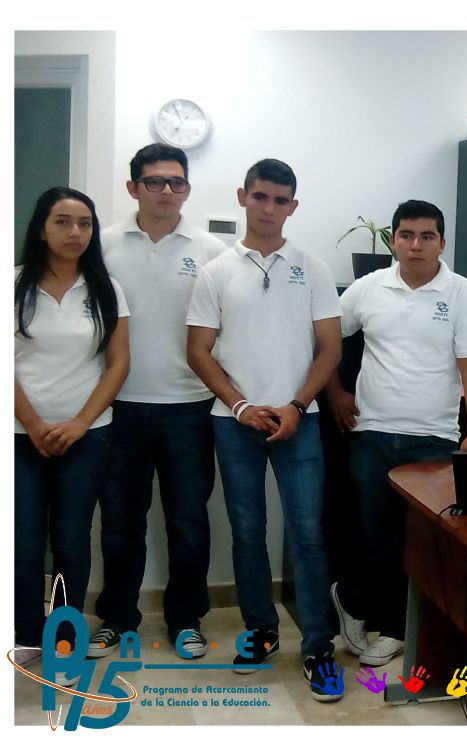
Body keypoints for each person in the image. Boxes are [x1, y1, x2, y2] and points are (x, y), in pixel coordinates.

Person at [185, 159, 344, 702]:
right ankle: (261, 631)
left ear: (292, 206)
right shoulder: (216, 271)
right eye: (260, 197)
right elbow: (198, 351)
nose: (269, 208)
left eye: (280, 200)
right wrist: (240, 406)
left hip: (301, 421)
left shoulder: (312, 269)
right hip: (235, 424)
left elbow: (330, 349)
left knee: (308, 534)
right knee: (247, 531)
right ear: (243, 197)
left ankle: (318, 646)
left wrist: (297, 405)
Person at [324, 199, 467, 668]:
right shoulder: (368, 288)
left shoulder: (462, 293)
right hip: (372, 431)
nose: (416, 245)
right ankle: (370, 612)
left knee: (417, 537)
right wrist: (335, 393)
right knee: (376, 532)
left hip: (434, 436)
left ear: (441, 243)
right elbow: (325, 340)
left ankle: (370, 611)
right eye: (407, 235)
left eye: (427, 236)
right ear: (393, 240)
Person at [88, 144, 229, 661]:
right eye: (154, 181)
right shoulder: (102, 246)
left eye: (176, 182)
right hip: (118, 406)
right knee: (120, 522)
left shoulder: (213, 250)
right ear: (133, 188)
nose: (166, 190)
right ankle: (117, 617)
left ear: (187, 188)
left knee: (188, 521)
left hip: (190, 407)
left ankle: (186, 619)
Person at [14, 188, 130, 667]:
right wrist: (32, 422)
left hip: (88, 435)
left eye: (84, 223)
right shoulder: (11, 284)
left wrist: (81, 423)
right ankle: (26, 632)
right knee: (23, 540)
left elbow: (118, 364)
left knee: (71, 540)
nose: (75, 232)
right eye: (62, 221)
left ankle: (65, 637)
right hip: (18, 435)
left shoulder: (106, 288)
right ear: (42, 228)